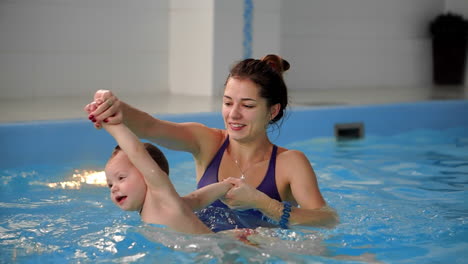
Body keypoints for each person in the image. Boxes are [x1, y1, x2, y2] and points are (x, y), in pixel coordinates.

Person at [85, 54, 338, 231]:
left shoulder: (290, 163)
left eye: (247, 105)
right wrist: (115, 108)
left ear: (272, 111)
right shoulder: (207, 142)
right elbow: (150, 127)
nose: (233, 114)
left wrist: (263, 203)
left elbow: (326, 220)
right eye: (228, 103)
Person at [101, 119, 234, 234]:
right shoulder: (172, 203)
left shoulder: (160, 198)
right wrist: (227, 185)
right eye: (110, 184)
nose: (113, 189)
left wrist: (112, 124)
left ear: (146, 173)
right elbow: (197, 199)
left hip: (213, 252)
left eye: (121, 178)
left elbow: (136, 151)